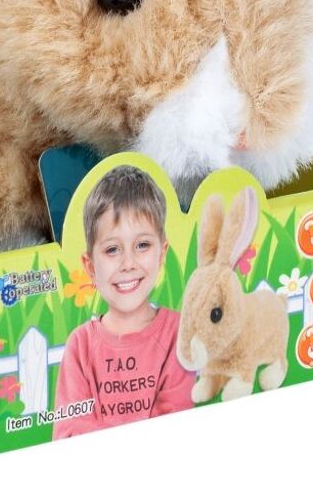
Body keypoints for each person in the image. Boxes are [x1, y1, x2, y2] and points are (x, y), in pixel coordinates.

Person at [54, 165, 194, 438]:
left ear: (161, 253)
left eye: (142, 245)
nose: (128, 263)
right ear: (90, 266)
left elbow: (175, 423)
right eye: (112, 249)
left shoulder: (177, 333)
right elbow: (68, 431)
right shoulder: (80, 346)